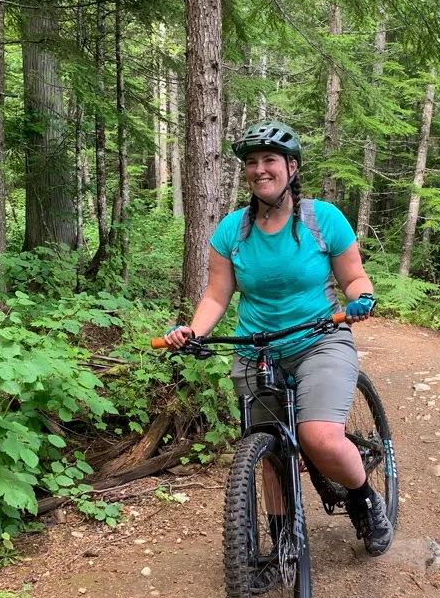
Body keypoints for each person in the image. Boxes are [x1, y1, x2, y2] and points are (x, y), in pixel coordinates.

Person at [163, 120, 393, 557]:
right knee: (266, 445)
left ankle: (364, 498)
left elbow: (355, 277)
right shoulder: (232, 230)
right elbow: (216, 293)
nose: (259, 169)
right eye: (251, 163)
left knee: (319, 437)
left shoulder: (322, 219)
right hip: (257, 348)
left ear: (291, 166)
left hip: (319, 338)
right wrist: (194, 330)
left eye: (269, 160)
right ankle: (283, 539)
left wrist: (362, 299)